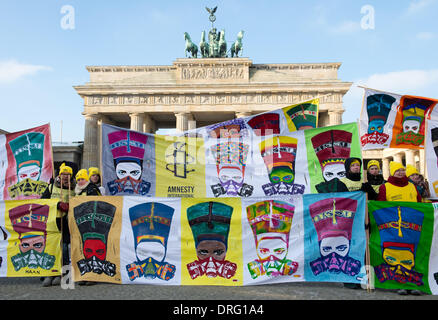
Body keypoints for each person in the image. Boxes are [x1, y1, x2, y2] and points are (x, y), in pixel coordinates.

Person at [377, 161, 422, 295]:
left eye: (402, 170)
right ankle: (398, 283)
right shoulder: (385, 187)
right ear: (392, 173)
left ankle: (413, 283)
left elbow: (420, 203)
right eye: (397, 171)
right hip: (393, 227)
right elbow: (380, 206)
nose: (401, 173)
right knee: (396, 254)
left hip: (412, 226)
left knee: (413, 255)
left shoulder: (412, 186)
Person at [40, 162, 76, 287]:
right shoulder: (51, 187)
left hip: (66, 222)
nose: (65, 176)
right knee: (52, 247)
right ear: (59, 175)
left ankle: (64, 274)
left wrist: (70, 207)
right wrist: (57, 205)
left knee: (65, 249)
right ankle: (51, 273)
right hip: (53, 222)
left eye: (68, 174)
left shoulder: (74, 188)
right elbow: (42, 202)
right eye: (63, 174)